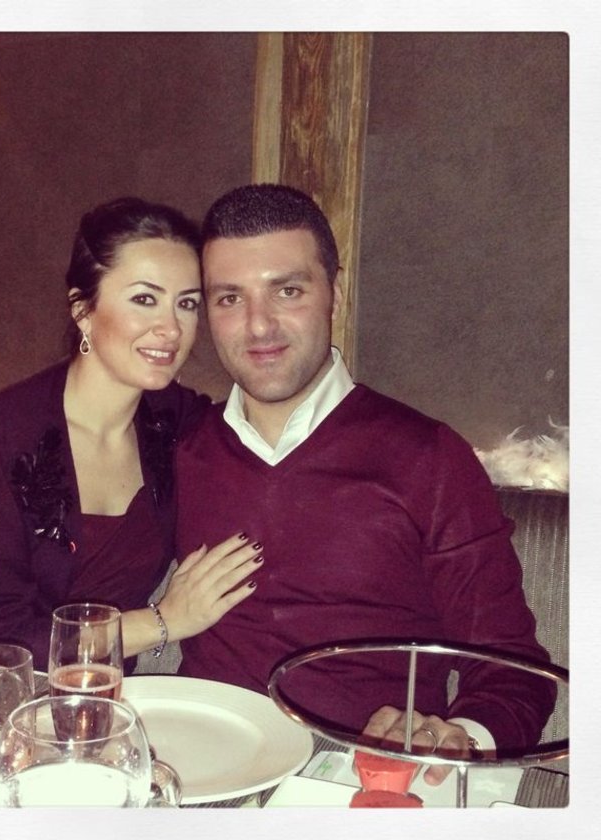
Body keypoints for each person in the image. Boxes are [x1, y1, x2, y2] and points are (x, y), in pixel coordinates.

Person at [173, 183, 556, 784]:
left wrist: (462, 733)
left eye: (288, 290)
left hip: (355, 779)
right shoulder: (180, 450)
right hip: (198, 770)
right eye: (229, 298)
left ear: (337, 292)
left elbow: (514, 669)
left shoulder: (427, 457)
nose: (258, 325)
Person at [0, 196, 261, 672]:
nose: (171, 328)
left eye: (186, 304)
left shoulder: (176, 421)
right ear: (83, 309)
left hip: (104, 699)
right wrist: (163, 621)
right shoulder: (3, 432)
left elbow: (268, 442)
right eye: (145, 299)